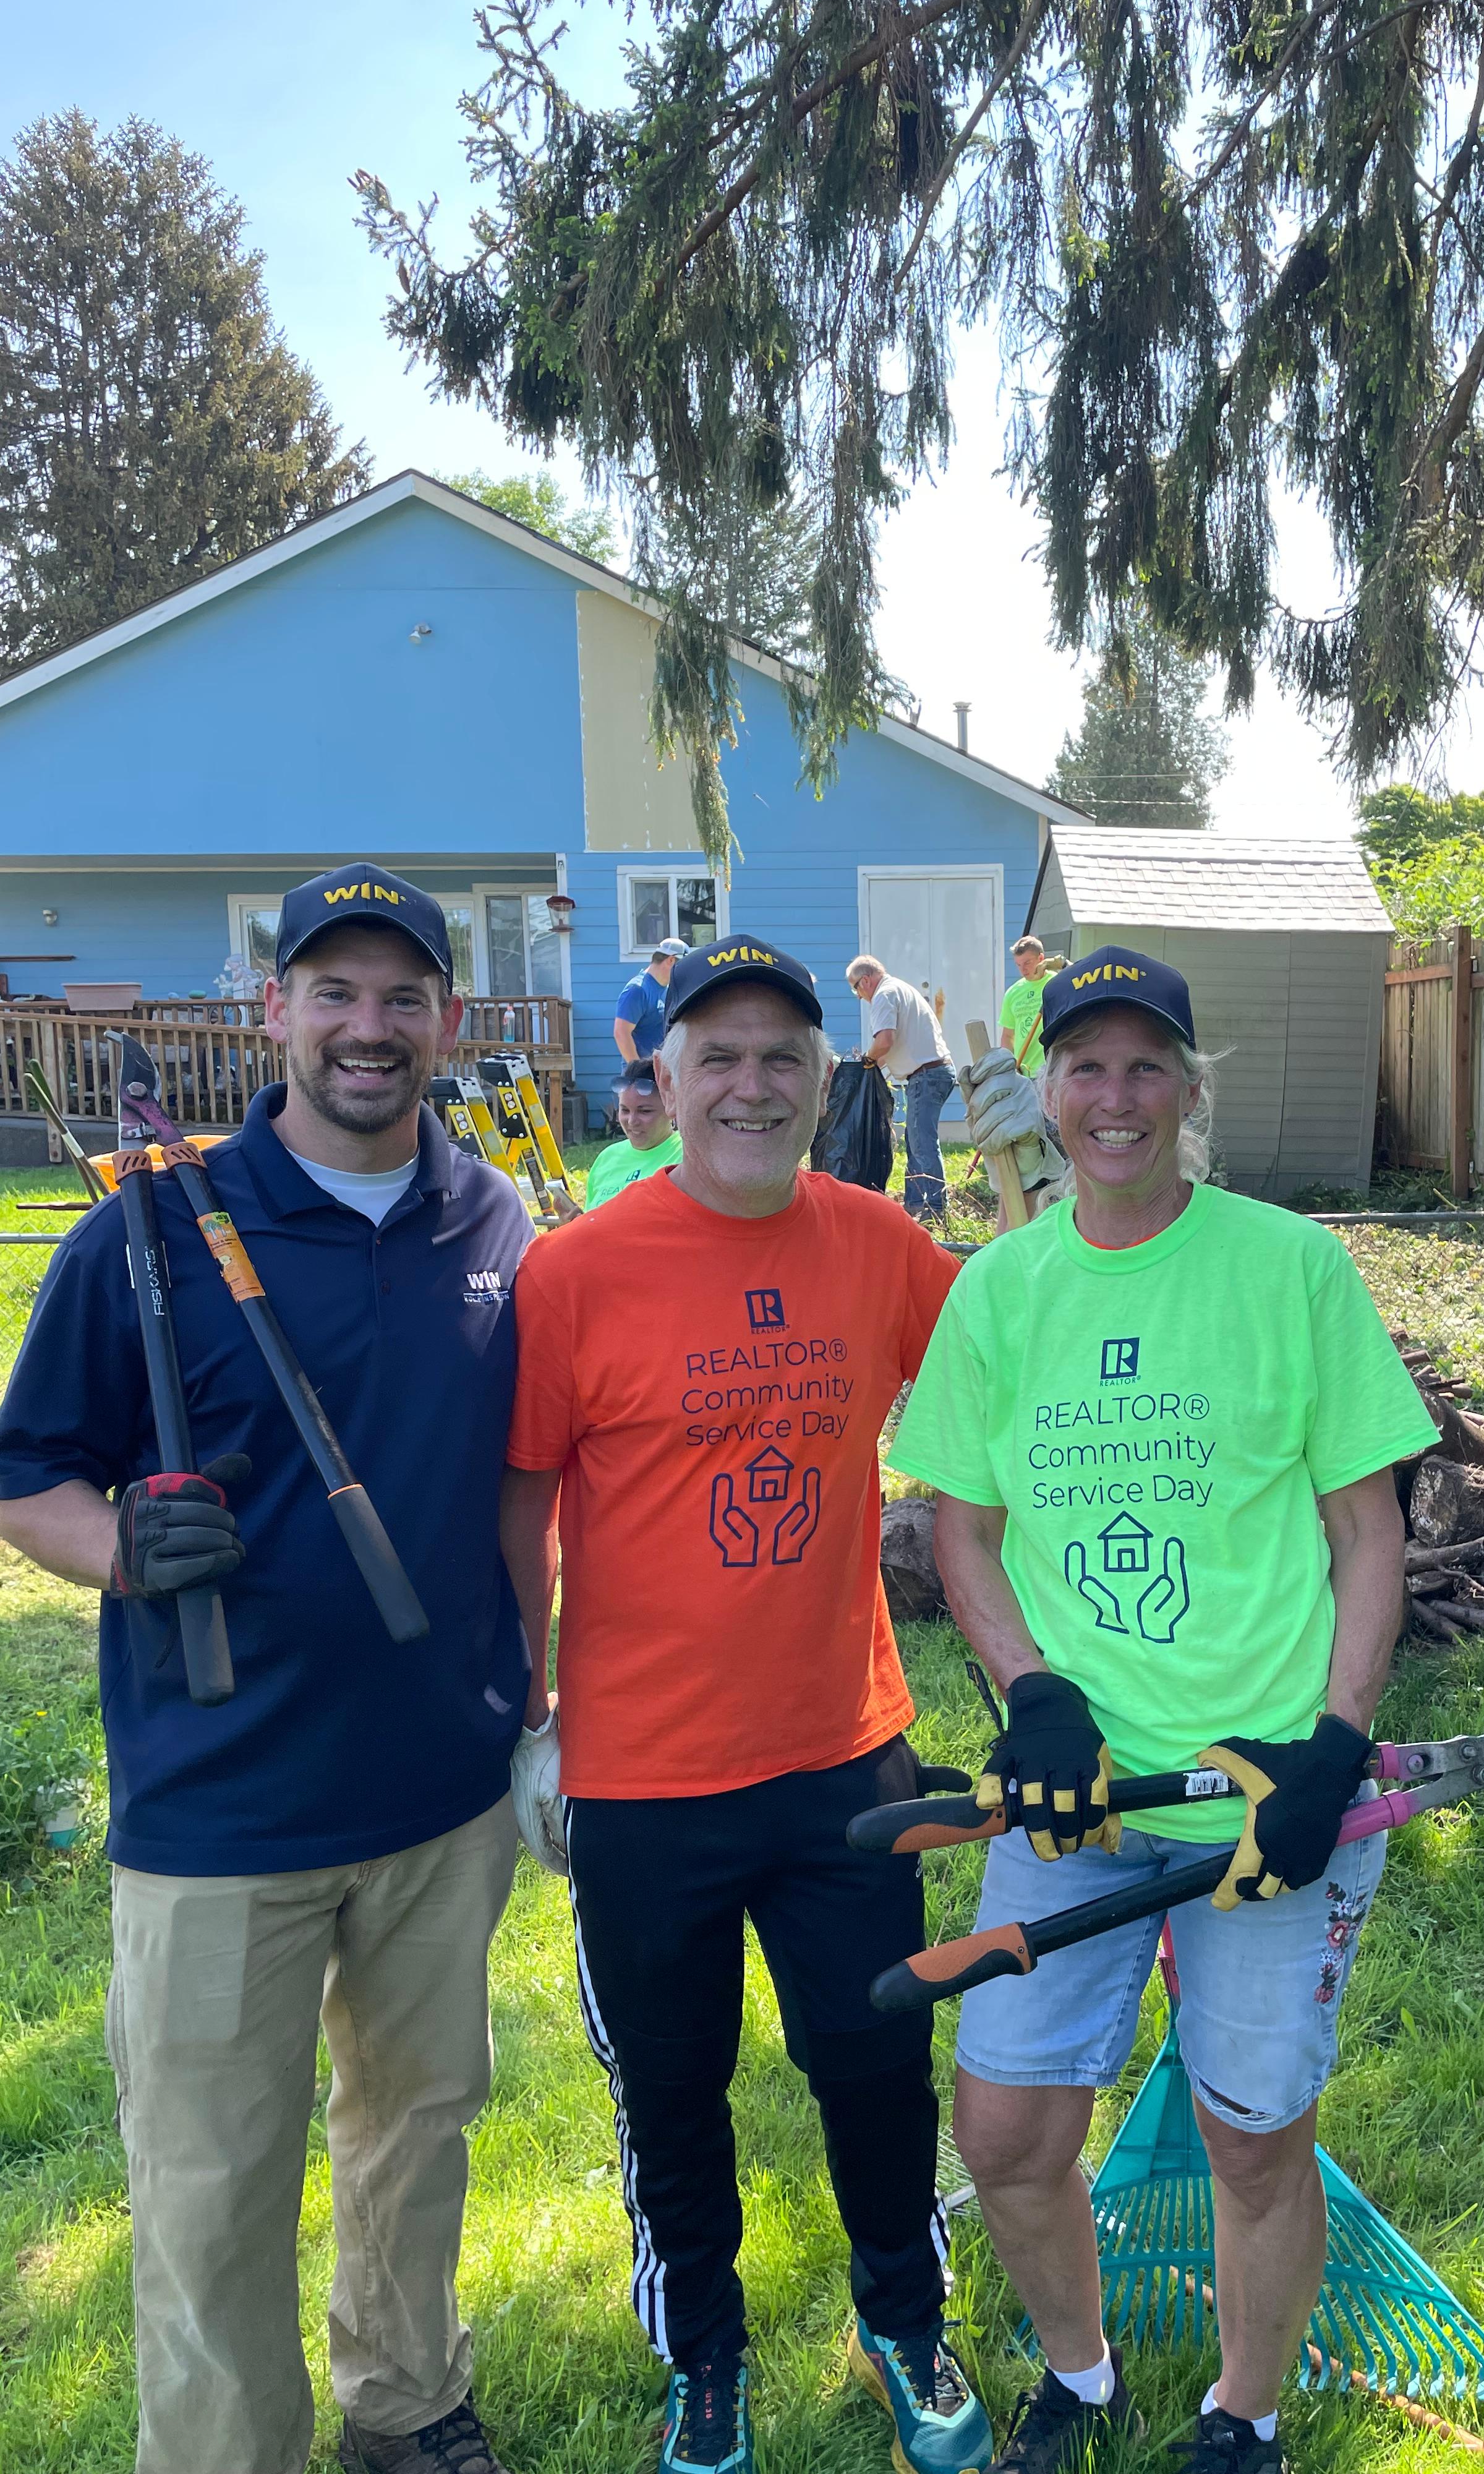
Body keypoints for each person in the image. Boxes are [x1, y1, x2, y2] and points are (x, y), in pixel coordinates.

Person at [0, 863, 535, 2474]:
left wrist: (545, 1708)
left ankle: (409, 2402)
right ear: (275, 1008)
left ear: (445, 1018)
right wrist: (120, 1549)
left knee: (415, 2135)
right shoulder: (148, 1233)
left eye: (402, 995)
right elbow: (27, 1481)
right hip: (221, 1808)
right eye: (335, 991)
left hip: (444, 1794)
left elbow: (520, 1485)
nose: (371, 1027)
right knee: (215, 2184)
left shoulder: (498, 1222)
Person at [889, 946, 1432, 2474]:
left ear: (1192, 1090)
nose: (1113, 1098)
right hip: (1076, 1806)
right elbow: (962, 1526)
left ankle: (1243, 2414)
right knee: (1003, 2135)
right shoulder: (1000, 1290)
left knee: (1253, 2136)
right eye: (1085, 1067)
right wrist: (1036, 1696)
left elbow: (1367, 1531)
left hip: (1261, 1795)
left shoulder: (1290, 1268)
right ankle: (1080, 2375)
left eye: (1145, 1067)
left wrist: (1332, 1745)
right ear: (1047, 1091)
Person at [500, 934, 994, 2474]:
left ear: (826, 1076)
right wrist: (536, 1719)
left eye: (783, 1055)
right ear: (662, 1075)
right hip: (643, 1775)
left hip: (844, 1752)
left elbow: (1013, 1407)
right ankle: (702, 2354)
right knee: (673, 2087)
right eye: (718, 1056)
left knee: (872, 2059)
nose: (751, 1083)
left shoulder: (879, 1248)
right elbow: (522, 1510)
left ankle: (905, 2316)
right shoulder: (574, 1272)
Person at [845, 952, 954, 1227]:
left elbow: (884, 1040)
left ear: (866, 980)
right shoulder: (900, 989)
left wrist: (867, 1060)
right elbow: (889, 1046)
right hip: (933, 1072)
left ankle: (935, 1210)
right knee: (916, 1142)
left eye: (856, 987)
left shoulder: (883, 995)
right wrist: (869, 1067)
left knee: (922, 1144)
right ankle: (916, 1206)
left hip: (927, 1076)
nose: (858, 995)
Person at [584, 1058, 682, 1208]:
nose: (631, 1121)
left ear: (670, 1108)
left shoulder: (687, 1158)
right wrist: (579, 1222)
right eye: (625, 1110)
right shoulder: (607, 1159)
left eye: (645, 1111)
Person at [615, 935, 690, 1064]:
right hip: (643, 1078)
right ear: (671, 960)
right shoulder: (637, 990)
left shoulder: (667, 989)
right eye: (683, 966)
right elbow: (621, 1033)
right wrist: (638, 1071)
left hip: (662, 1072)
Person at [997, 936, 1051, 1077]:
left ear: (1041, 958)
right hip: (1023, 1072)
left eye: (1027, 963)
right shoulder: (1013, 993)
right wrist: (1008, 1067)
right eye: (1018, 965)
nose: (1023, 970)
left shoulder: (1055, 983)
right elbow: (1008, 1035)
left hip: (1051, 1068)